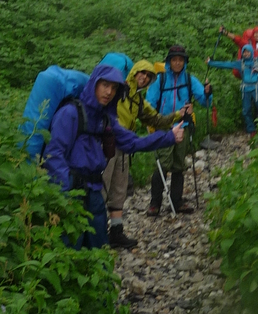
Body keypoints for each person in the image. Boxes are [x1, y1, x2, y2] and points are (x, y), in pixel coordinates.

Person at [44, 63, 183, 249]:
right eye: (105, 85)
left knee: (98, 246)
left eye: (114, 88)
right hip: (72, 192)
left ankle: (100, 276)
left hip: (94, 190)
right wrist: (64, 194)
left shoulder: (105, 119)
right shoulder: (71, 113)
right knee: (70, 246)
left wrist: (169, 137)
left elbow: (132, 142)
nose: (109, 92)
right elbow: (54, 154)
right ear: (94, 84)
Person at [102, 59, 192, 248]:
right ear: (134, 72)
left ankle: (116, 232)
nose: (144, 78)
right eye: (142, 73)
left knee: (119, 190)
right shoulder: (118, 91)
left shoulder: (138, 100)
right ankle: (97, 235)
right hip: (108, 144)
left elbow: (156, 119)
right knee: (102, 188)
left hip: (125, 146)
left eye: (149, 76)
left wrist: (178, 115)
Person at [144, 45, 212, 216]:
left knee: (179, 165)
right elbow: (149, 103)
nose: (177, 63)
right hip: (164, 126)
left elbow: (204, 102)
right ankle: (155, 203)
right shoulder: (160, 80)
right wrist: (152, 122)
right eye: (174, 59)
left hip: (183, 126)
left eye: (180, 60)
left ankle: (176, 201)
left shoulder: (189, 79)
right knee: (163, 164)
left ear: (184, 62)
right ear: (169, 61)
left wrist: (207, 93)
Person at [207, 44, 258, 137]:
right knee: (246, 110)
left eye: (248, 52)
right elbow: (226, 64)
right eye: (244, 52)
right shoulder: (240, 63)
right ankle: (251, 130)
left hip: (257, 88)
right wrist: (211, 62)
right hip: (245, 89)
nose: (246, 54)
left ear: (252, 52)